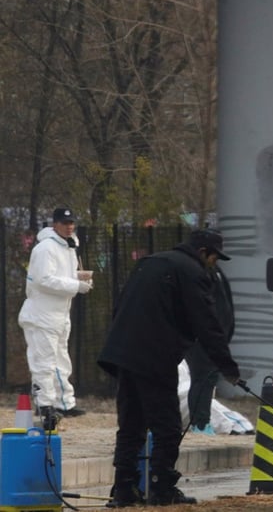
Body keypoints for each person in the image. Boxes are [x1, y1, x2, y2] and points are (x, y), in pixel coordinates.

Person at [98, 228, 241, 508]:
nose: (215, 264)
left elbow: (120, 307)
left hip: (124, 353)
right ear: (203, 253)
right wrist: (228, 366)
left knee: (131, 425)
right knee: (167, 428)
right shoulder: (192, 272)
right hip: (153, 356)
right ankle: (161, 488)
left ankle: (124, 489)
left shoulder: (149, 263)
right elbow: (208, 324)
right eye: (214, 258)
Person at [18, 207, 93, 425]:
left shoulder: (69, 246)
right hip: (42, 314)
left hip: (60, 313)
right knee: (44, 361)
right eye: (64, 223)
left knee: (61, 360)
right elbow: (44, 280)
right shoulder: (46, 248)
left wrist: (80, 280)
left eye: (71, 223)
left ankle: (64, 403)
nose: (69, 227)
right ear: (55, 224)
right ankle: (45, 405)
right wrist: (76, 285)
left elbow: (62, 276)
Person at [183, 261, 234, 433]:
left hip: (214, 336)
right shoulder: (198, 274)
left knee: (208, 378)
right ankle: (200, 423)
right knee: (203, 378)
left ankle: (201, 421)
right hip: (202, 338)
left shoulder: (214, 272)